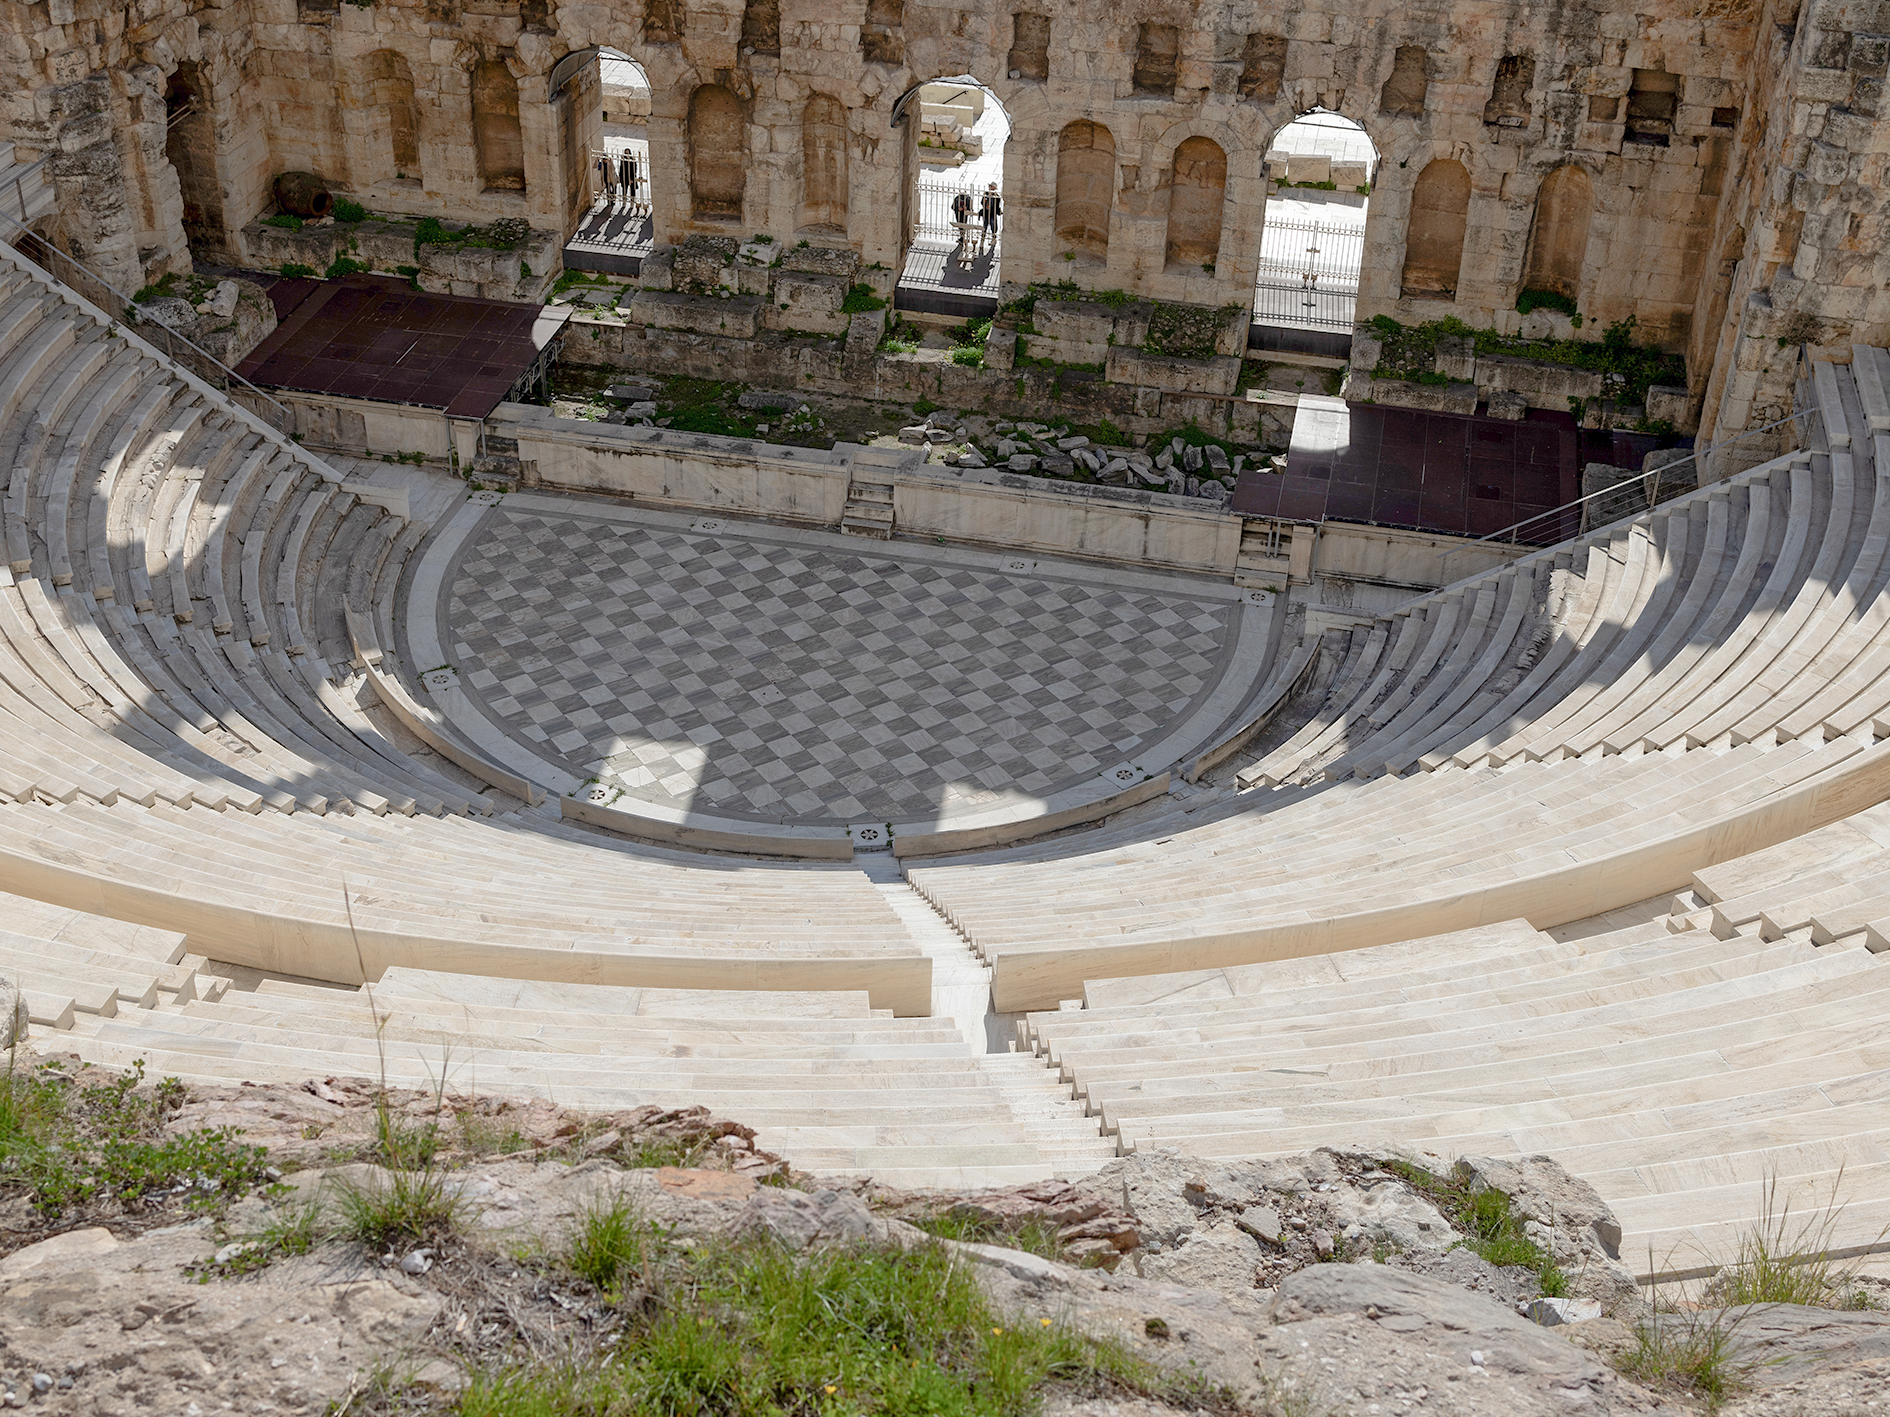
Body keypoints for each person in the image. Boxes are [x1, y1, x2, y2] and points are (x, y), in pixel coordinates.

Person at [950, 188, 975, 267]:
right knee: (960, 225)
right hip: (958, 213)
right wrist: (958, 208)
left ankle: (964, 237)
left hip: (965, 214)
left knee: (964, 225)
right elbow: (953, 206)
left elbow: (971, 207)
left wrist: (966, 208)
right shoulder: (957, 198)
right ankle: (962, 237)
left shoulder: (968, 199)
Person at [978, 182, 1002, 253]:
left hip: (992, 213)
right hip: (986, 213)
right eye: (990, 186)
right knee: (984, 227)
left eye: (991, 187)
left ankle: (993, 239)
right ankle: (982, 241)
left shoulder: (996, 196)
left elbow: (997, 205)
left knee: (993, 226)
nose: (990, 188)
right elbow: (982, 202)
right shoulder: (986, 194)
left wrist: (991, 207)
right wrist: (985, 203)